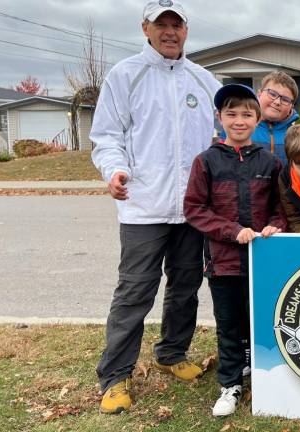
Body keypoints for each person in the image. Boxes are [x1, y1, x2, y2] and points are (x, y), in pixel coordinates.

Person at [90, 0, 221, 414]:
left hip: (192, 209)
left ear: (186, 30)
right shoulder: (124, 75)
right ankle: (115, 375)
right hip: (143, 207)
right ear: (145, 28)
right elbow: (106, 136)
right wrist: (114, 171)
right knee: (134, 292)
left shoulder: (203, 80)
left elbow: (226, 132)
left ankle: (171, 353)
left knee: (185, 287)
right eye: (160, 24)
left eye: (176, 24)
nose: (169, 31)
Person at [184, 84, 286, 417]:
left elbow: (280, 208)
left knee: (263, 321)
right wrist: (232, 231)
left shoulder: (270, 162)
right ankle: (230, 384)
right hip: (223, 263)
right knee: (229, 325)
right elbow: (194, 209)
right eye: (231, 114)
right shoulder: (206, 161)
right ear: (220, 118)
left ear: (257, 119)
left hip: (262, 262)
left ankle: (267, 375)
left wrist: (276, 226)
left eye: (246, 114)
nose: (239, 121)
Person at [253, 71, 300, 164]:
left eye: (285, 99)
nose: (277, 102)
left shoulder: (297, 137)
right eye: (272, 94)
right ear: (259, 94)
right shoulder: (240, 129)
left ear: (291, 106)